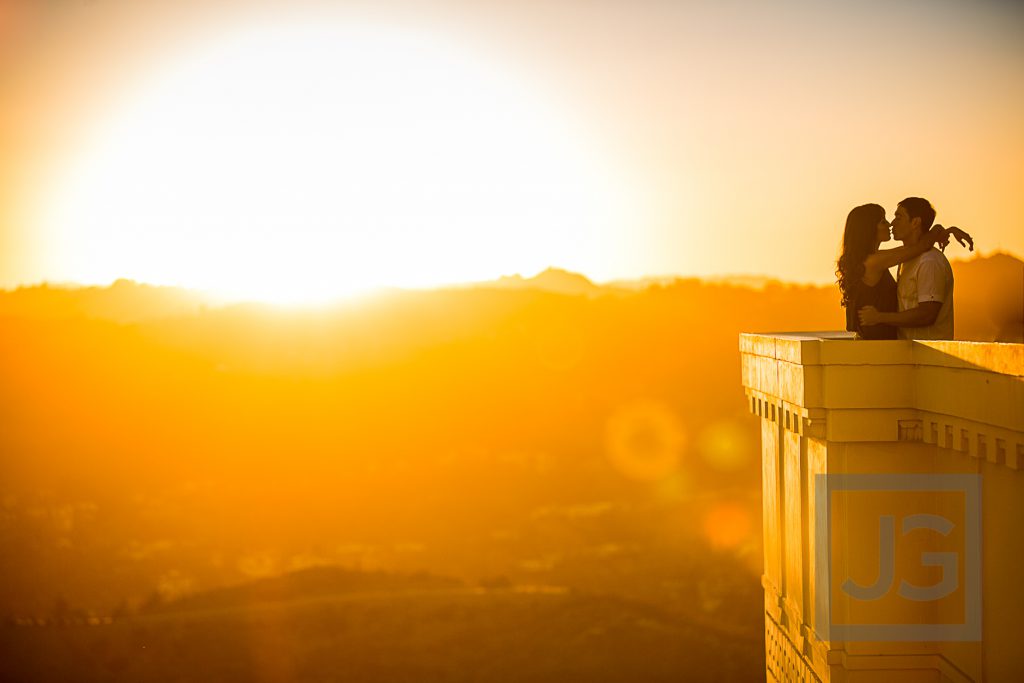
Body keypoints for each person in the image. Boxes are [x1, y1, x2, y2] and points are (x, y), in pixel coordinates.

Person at [836, 202, 971, 339]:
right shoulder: (873, 262)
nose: (890, 224)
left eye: (897, 218)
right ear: (869, 229)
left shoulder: (876, 259)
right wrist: (941, 230)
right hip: (877, 345)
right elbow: (921, 245)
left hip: (881, 344)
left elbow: (918, 247)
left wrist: (941, 230)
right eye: (883, 221)